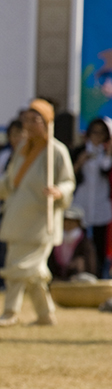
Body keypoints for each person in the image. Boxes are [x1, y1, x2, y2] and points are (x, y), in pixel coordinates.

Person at [0, 99, 75, 326]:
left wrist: (58, 191)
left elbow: (69, 182)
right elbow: (11, 181)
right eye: (26, 120)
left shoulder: (57, 151)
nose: (29, 125)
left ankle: (10, 312)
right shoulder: (22, 148)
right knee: (33, 272)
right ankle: (45, 314)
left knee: (19, 267)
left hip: (41, 220)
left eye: (35, 120)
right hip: (18, 216)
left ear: (47, 122)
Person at [71, 117, 112, 277]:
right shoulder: (79, 151)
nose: (97, 136)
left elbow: (106, 170)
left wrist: (108, 153)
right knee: (78, 241)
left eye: (102, 133)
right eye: (94, 132)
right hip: (80, 203)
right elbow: (70, 176)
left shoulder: (106, 153)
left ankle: (99, 274)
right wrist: (80, 162)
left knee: (100, 244)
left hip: (101, 204)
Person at [48, 206, 97, 280]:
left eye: (72, 221)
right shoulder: (55, 239)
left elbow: (91, 265)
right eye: (66, 221)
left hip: (78, 279)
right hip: (57, 279)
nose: (68, 224)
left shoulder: (84, 242)